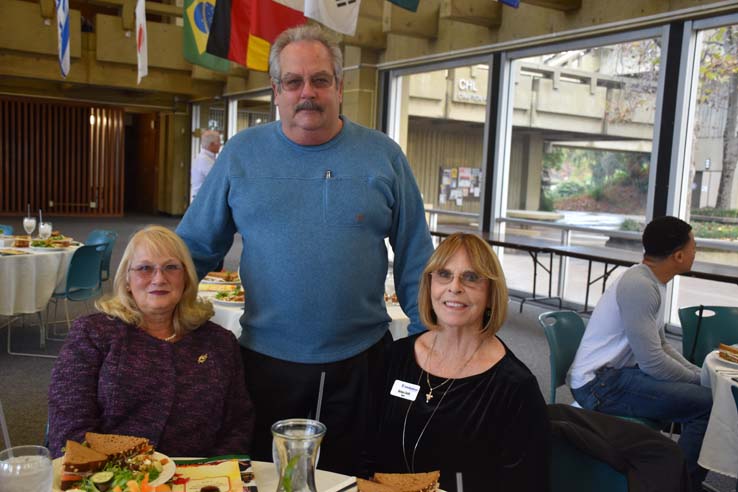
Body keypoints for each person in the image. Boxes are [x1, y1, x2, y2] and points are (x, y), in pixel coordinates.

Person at [175, 25, 434, 475]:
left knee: (356, 477)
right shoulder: (240, 155)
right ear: (276, 91)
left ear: (340, 85)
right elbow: (193, 249)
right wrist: (150, 315)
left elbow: (416, 255)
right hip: (264, 364)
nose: (307, 93)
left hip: (362, 363)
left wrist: (426, 338)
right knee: (266, 476)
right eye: (293, 82)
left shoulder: (384, 157)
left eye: (320, 80)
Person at [48, 225, 254, 458]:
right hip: (111, 478)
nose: (159, 278)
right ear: (127, 279)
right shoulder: (93, 334)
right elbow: (69, 427)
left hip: (199, 479)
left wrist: (216, 473)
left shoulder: (219, 342)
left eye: (171, 267)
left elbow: (238, 424)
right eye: (145, 268)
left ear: (185, 277)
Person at [369, 233, 550, 491]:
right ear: (429, 284)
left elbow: (528, 485)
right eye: (444, 274)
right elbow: (363, 451)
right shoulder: (394, 358)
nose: (455, 287)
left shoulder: (515, 388)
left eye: (471, 277)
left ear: (490, 294)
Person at [567, 216, 712, 492]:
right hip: (598, 384)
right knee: (708, 405)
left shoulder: (653, 281)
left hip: (616, 375)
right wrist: (699, 382)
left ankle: (675, 478)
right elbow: (653, 362)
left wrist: (697, 374)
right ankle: (682, 485)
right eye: (694, 247)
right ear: (679, 255)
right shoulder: (640, 286)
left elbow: (661, 346)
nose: (696, 253)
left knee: (706, 395)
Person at [190, 129, 221, 202]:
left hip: (204, 198)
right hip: (203, 200)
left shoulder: (207, 158)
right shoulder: (204, 160)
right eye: (219, 142)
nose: (220, 144)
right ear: (212, 144)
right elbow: (218, 179)